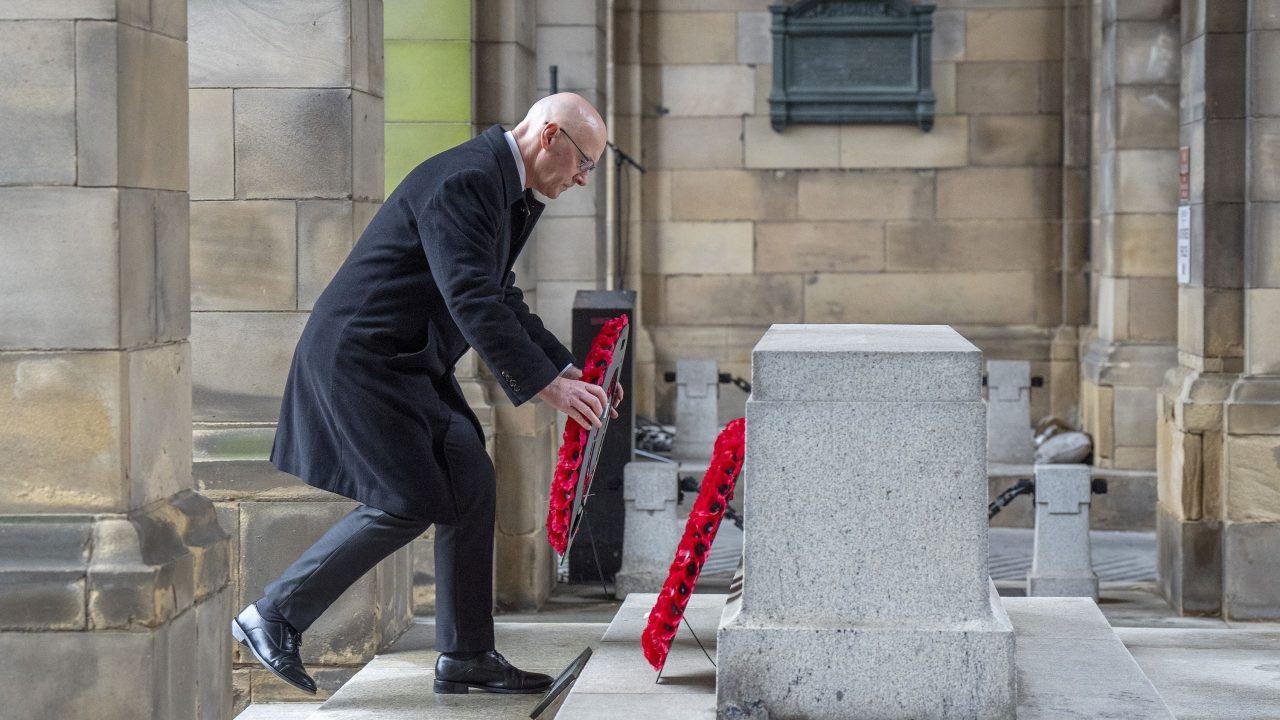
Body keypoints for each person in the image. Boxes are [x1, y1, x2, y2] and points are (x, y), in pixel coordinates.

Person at [231, 93, 621, 696]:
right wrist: (546, 386)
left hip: (408, 363)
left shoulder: (501, 186)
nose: (581, 178)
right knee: (408, 498)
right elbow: (472, 299)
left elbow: (499, 292)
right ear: (549, 137)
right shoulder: (468, 179)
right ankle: (273, 615)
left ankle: (467, 656)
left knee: (469, 479)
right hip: (363, 361)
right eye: (583, 163)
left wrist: (565, 370)